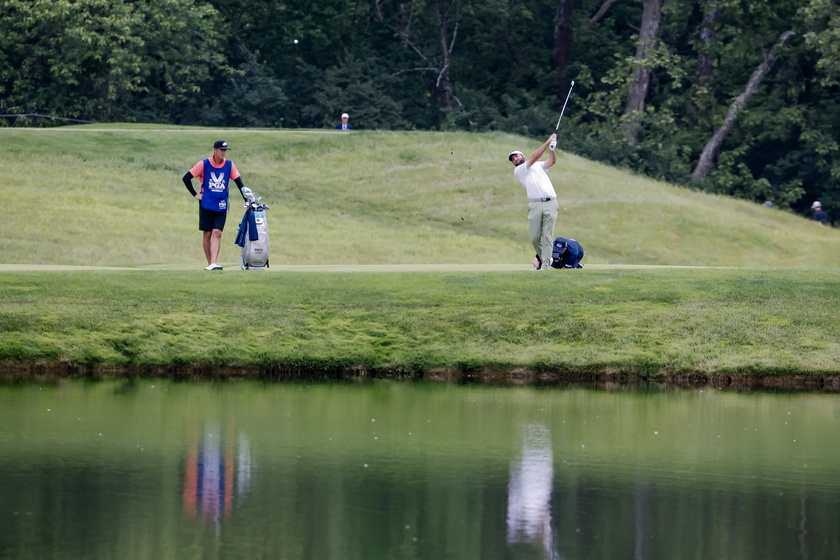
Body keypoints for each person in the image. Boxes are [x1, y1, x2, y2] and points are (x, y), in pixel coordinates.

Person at [182, 139, 249, 270]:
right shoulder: (204, 164)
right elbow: (186, 178)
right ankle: (210, 263)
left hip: (221, 204)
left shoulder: (229, 165)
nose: (224, 153)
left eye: (225, 150)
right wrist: (195, 194)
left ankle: (214, 262)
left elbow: (239, 183)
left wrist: (246, 199)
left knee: (217, 232)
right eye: (221, 150)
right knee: (207, 234)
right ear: (215, 150)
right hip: (206, 203)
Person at [509, 133, 559, 270]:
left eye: (517, 156)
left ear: (522, 156)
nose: (515, 159)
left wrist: (552, 149)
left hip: (550, 202)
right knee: (535, 237)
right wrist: (548, 141)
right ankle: (547, 261)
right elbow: (534, 156)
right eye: (513, 159)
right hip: (535, 204)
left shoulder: (539, 166)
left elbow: (552, 162)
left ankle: (546, 267)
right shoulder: (519, 170)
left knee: (547, 236)